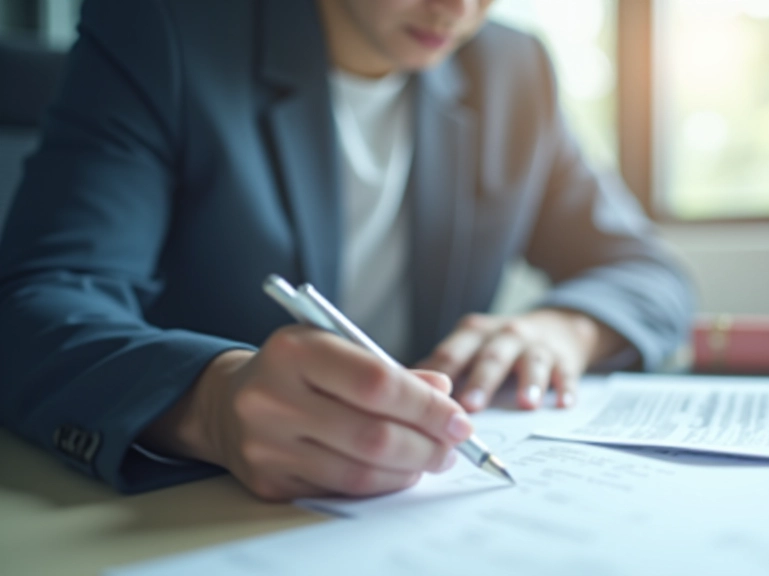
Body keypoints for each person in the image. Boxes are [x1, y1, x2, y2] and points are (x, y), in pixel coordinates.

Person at [0, 0, 692, 500]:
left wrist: (564, 329)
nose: (459, 7)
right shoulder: (164, 30)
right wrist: (208, 405)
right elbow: (36, 303)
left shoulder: (511, 68)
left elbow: (645, 271)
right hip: (195, 509)